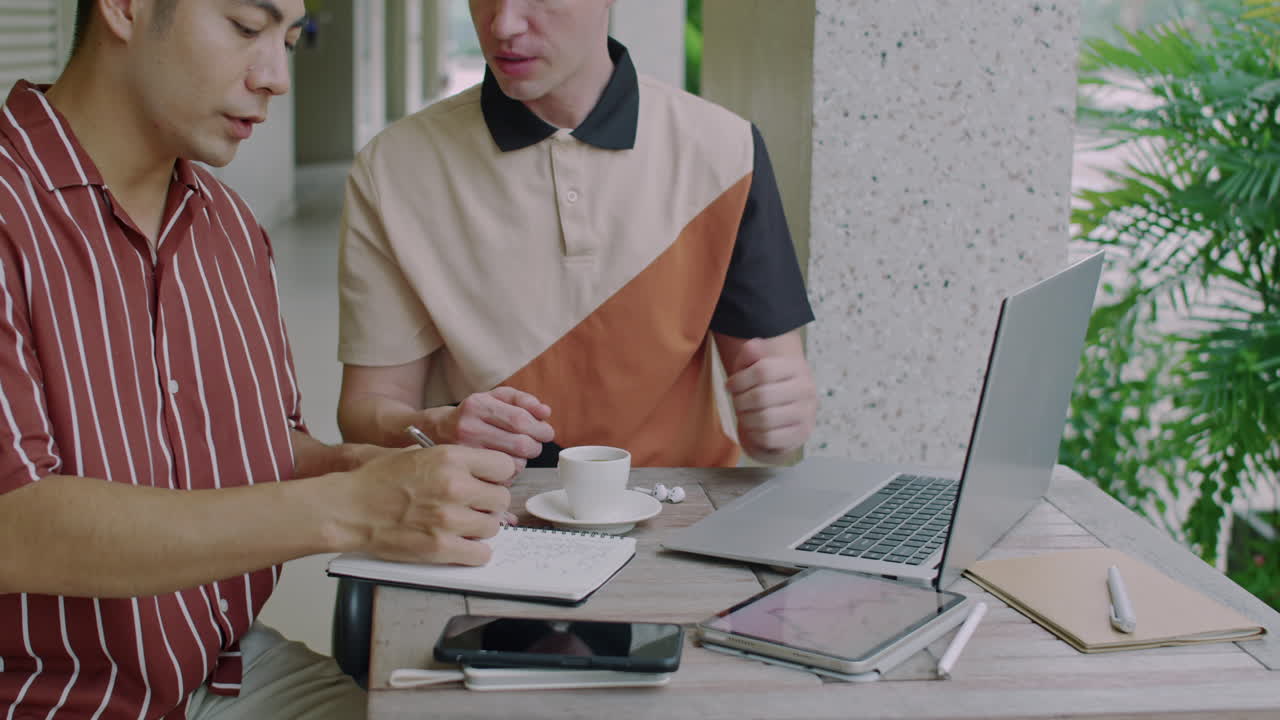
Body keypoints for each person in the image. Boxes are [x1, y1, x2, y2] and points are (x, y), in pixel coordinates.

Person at [0, 1, 517, 717]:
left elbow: (258, 448)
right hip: (53, 698)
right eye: (247, 27)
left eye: (291, 39)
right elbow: (14, 526)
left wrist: (378, 467)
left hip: (229, 669)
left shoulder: (229, 229)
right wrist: (349, 510)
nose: (276, 76)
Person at [337, 0, 818, 470]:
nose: (503, 23)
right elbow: (367, 412)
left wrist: (779, 423)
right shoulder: (394, 168)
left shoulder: (724, 150)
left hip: (681, 505)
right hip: (488, 514)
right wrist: (436, 429)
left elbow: (770, 396)